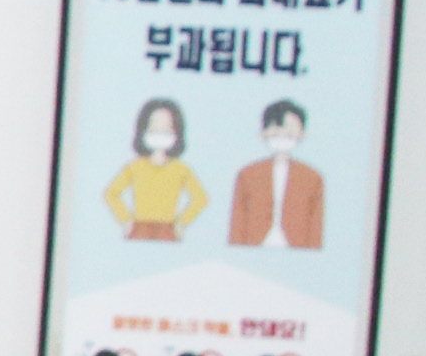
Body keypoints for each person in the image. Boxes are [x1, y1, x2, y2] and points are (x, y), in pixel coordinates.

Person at [228, 97, 326, 249]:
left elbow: (316, 225)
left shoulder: (312, 177)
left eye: (290, 129)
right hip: (254, 244)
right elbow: (238, 220)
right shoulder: (248, 174)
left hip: (297, 246)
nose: (282, 133)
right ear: (263, 132)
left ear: (302, 133)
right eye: (276, 128)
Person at [102, 96, 204, 240]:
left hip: (168, 230)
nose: (159, 135)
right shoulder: (135, 167)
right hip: (140, 228)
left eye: (166, 131)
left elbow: (201, 198)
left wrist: (182, 223)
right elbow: (111, 193)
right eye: (153, 130)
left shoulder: (181, 169)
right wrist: (125, 220)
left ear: (177, 134)